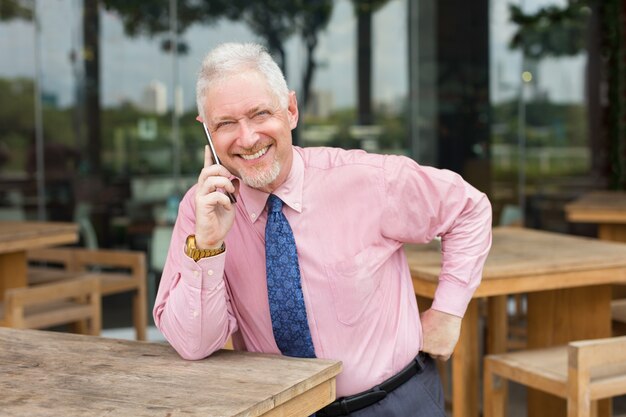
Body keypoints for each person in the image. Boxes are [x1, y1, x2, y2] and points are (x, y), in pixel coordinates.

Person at [153, 42, 492, 417]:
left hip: (395, 403)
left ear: (291, 110)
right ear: (207, 132)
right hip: (282, 409)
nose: (247, 138)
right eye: (226, 124)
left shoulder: (367, 179)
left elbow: (469, 208)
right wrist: (209, 246)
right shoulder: (202, 210)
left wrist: (447, 312)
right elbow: (195, 344)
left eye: (260, 114)